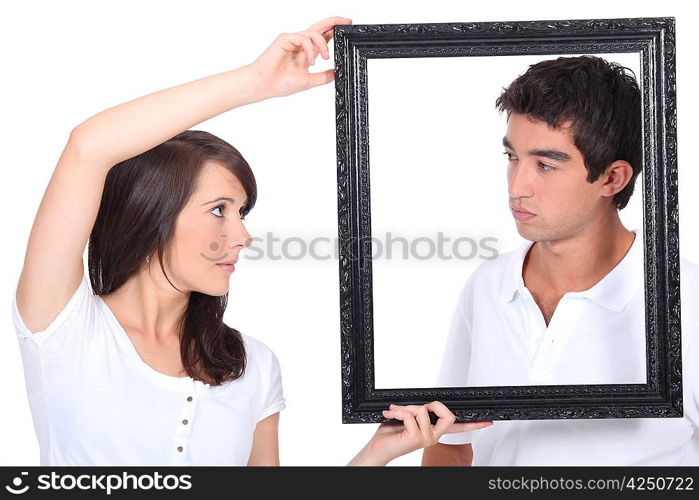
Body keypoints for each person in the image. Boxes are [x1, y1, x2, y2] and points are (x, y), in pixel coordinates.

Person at [11, 16, 492, 466]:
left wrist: (375, 455)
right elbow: (87, 147)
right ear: (150, 213)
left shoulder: (251, 364)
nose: (241, 235)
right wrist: (256, 83)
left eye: (241, 213)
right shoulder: (62, 329)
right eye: (219, 210)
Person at [421, 55, 699, 466]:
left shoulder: (686, 300)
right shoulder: (487, 285)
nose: (517, 186)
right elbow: (450, 446)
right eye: (512, 157)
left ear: (612, 178)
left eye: (545, 165)